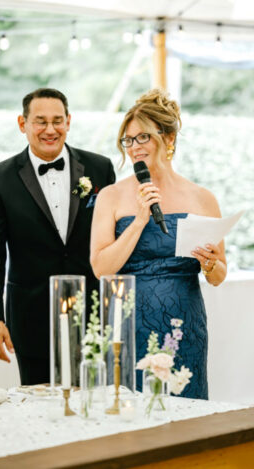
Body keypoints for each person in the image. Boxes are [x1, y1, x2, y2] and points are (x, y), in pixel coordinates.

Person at [90, 89, 225, 399]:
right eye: (128, 140)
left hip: (184, 325)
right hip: (128, 326)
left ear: (169, 138)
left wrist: (209, 263)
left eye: (143, 137)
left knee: (186, 412)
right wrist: (139, 220)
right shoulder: (111, 196)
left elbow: (219, 276)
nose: (134, 147)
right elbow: (101, 268)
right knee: (128, 411)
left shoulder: (203, 198)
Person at [0, 88, 117, 385]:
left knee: (94, 402)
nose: (50, 130)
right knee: (37, 404)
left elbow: (114, 239)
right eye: (40, 121)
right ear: (23, 124)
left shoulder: (100, 169)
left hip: (93, 314)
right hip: (30, 318)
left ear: (68, 121)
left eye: (57, 121)